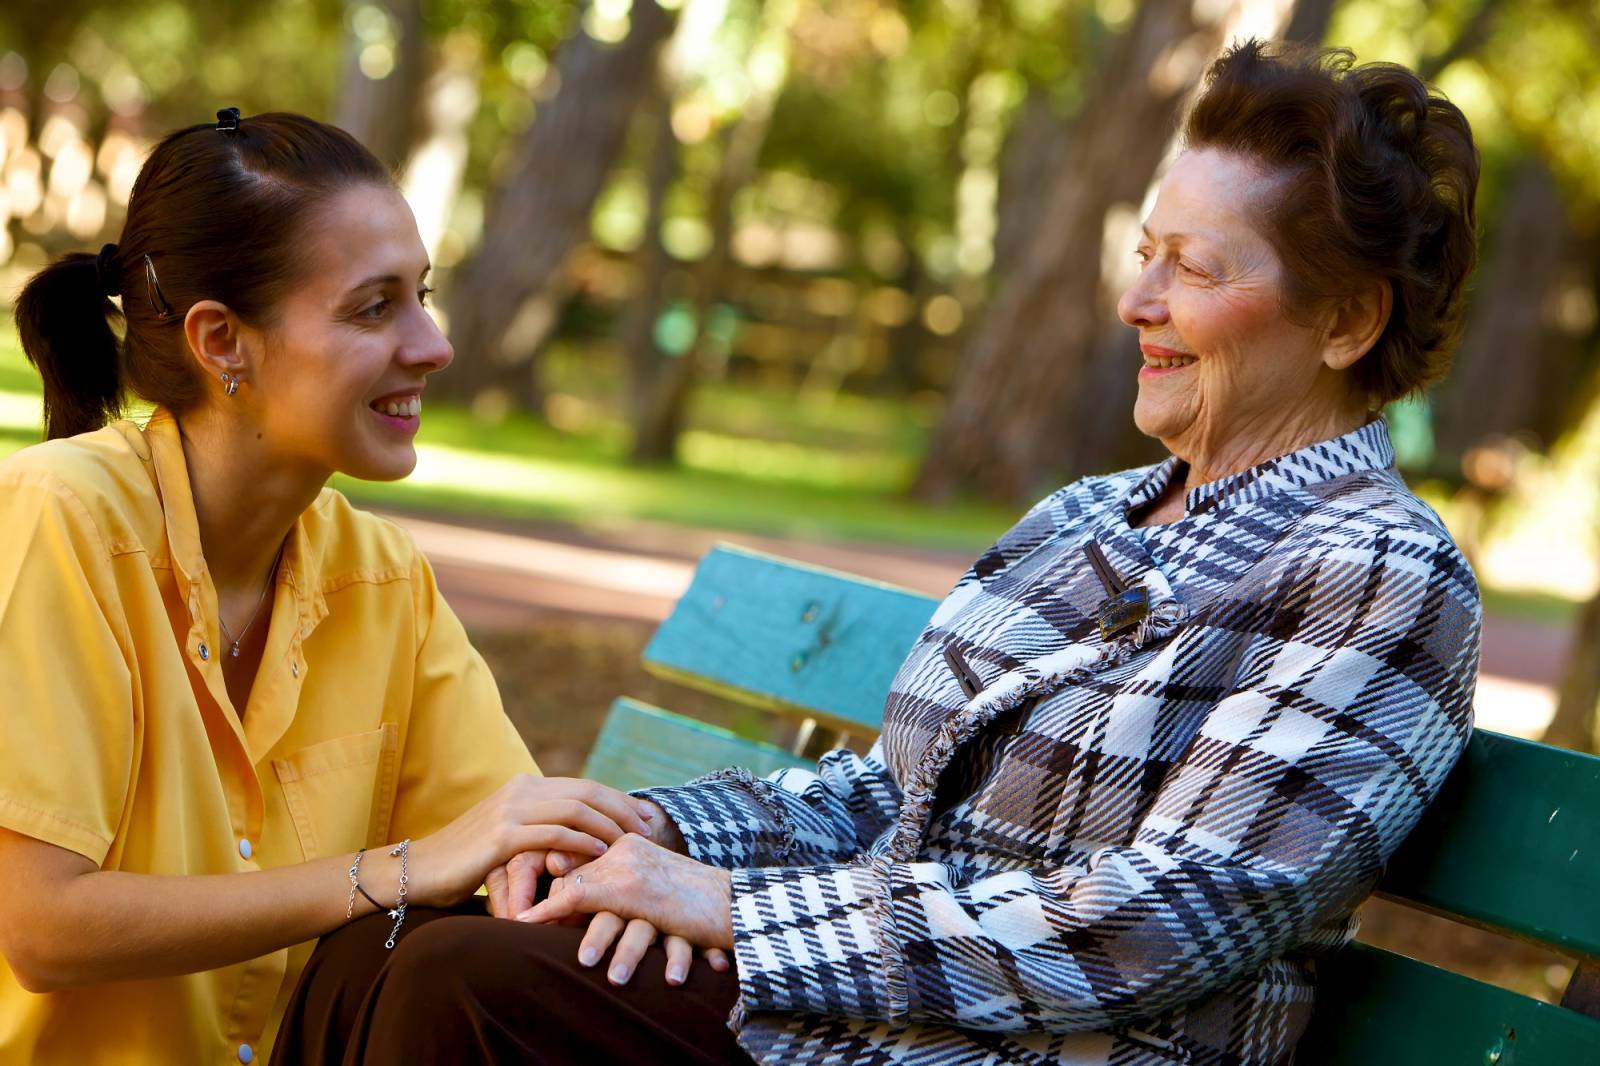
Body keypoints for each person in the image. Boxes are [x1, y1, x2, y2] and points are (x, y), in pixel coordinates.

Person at [277, 39, 1484, 1066]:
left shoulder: (1378, 573)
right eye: (1144, 254)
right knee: (385, 935)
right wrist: (644, 837)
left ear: (1345, 320)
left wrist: (733, 912)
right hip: (864, 1012)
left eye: (1197, 269)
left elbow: (1146, 926)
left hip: (1023, 1044)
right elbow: (887, 796)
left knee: (464, 986)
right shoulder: (1088, 516)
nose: (1139, 304)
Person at [0, 110, 694, 1065]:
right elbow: (42, 927)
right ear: (222, 342)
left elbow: (511, 840)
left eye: (424, 295)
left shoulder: (383, 579)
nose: (433, 345)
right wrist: (399, 871)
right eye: (375, 308)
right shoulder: (59, 517)